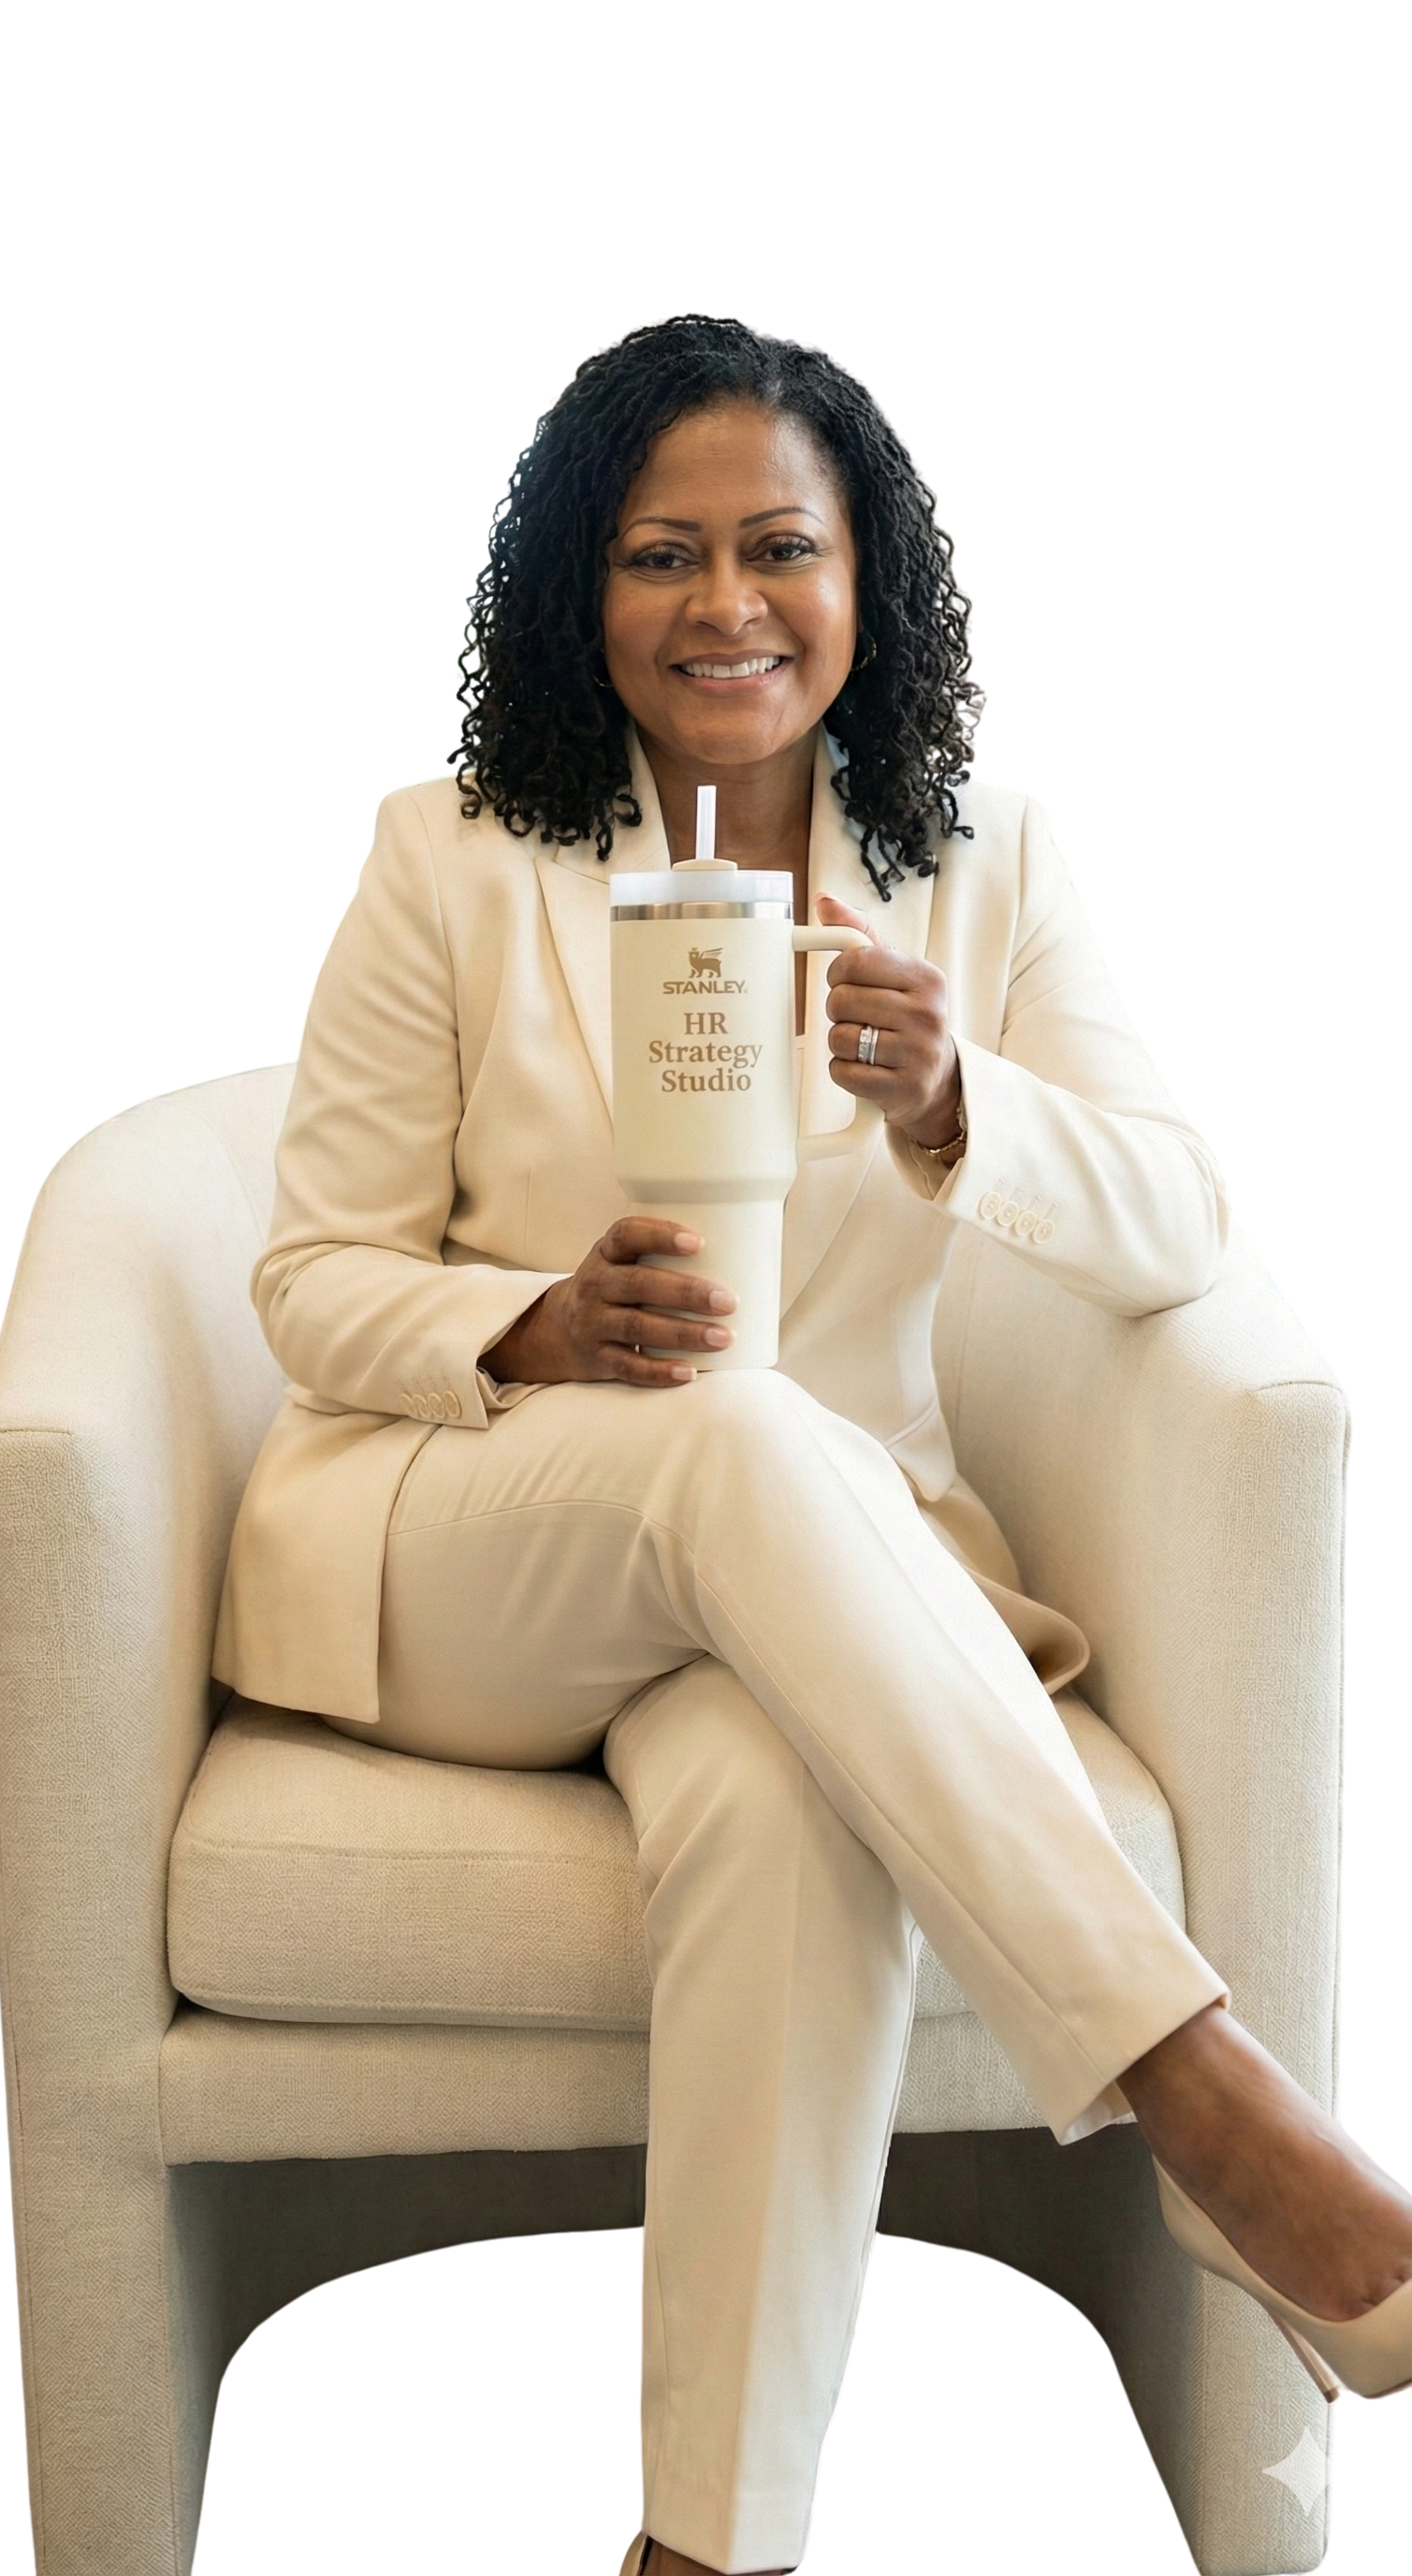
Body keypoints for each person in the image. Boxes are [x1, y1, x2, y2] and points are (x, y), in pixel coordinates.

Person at [213, 315, 1412, 2576]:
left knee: (787, 1807)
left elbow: (1183, 1217)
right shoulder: (448, 862)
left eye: (780, 545)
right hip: (475, 1547)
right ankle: (1208, 2099)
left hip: (797, 1598)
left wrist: (960, 1098)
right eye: (661, 554)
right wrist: (534, 1325)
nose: (724, 601)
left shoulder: (981, 875)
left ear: (872, 583)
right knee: (730, 1434)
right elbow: (307, 1280)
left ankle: (711, 2548)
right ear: (588, 590)